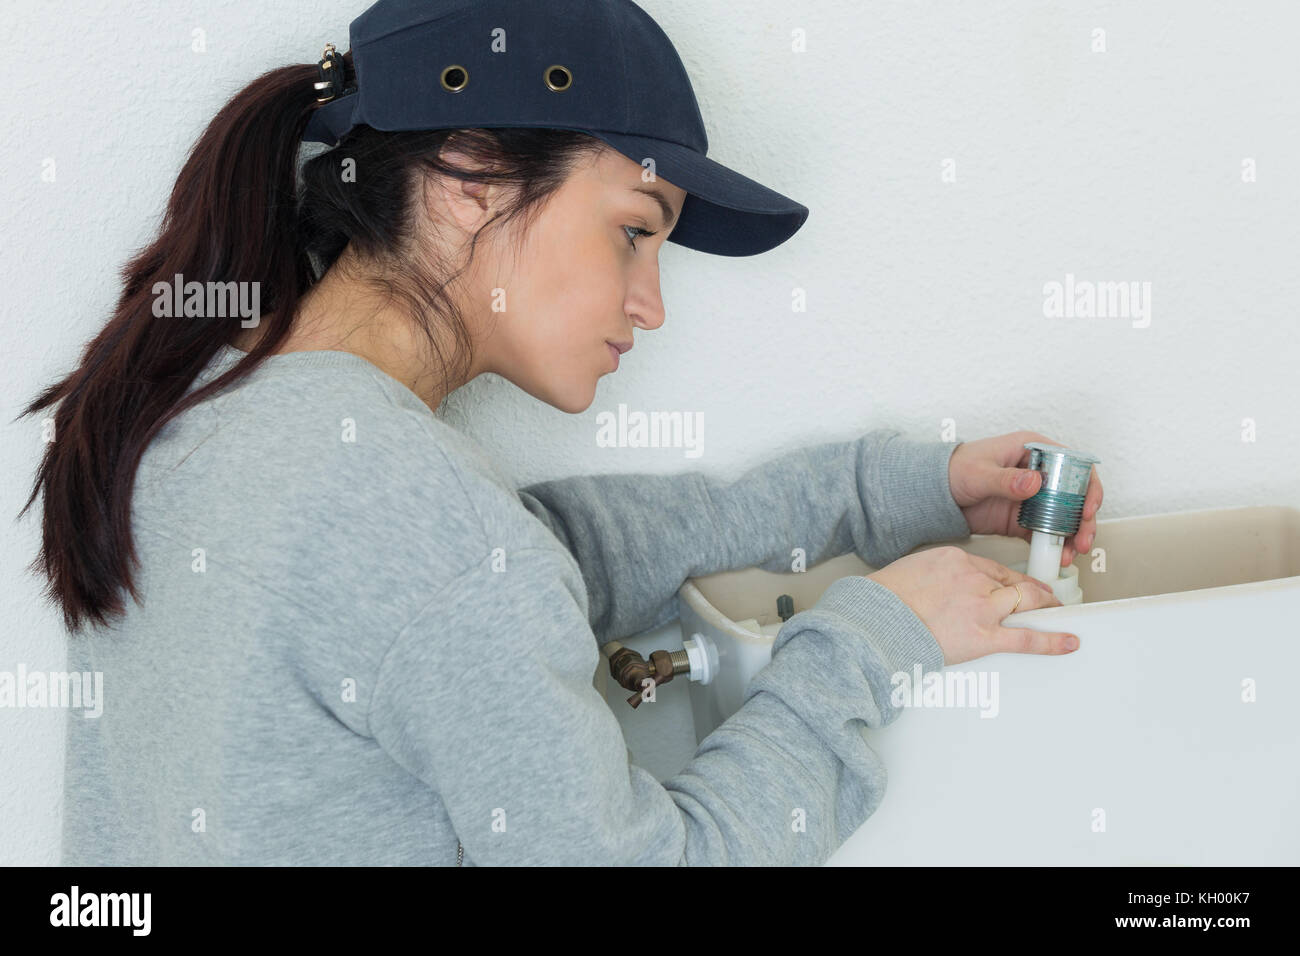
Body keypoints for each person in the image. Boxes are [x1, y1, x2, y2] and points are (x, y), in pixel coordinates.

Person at [19, 0, 1102, 865]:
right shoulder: (412, 514)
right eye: (634, 232)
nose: (651, 303)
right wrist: (870, 640)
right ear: (465, 178)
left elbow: (557, 550)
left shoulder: (202, 407)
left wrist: (905, 489)